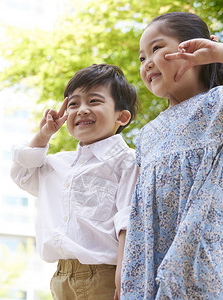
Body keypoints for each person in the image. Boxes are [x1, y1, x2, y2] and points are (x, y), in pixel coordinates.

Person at [120, 12, 223, 299]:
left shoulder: (217, 105)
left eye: (157, 48)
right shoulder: (146, 134)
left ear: (193, 49)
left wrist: (216, 52)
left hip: (200, 256)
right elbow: (134, 207)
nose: (147, 63)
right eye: (141, 58)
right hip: (149, 263)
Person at [10, 64, 140, 299]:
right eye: (73, 103)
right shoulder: (57, 164)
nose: (81, 110)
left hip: (105, 277)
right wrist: (44, 134)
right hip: (61, 277)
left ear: (122, 116)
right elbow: (22, 174)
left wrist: (125, 274)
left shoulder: (127, 161)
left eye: (94, 101)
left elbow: (128, 222)